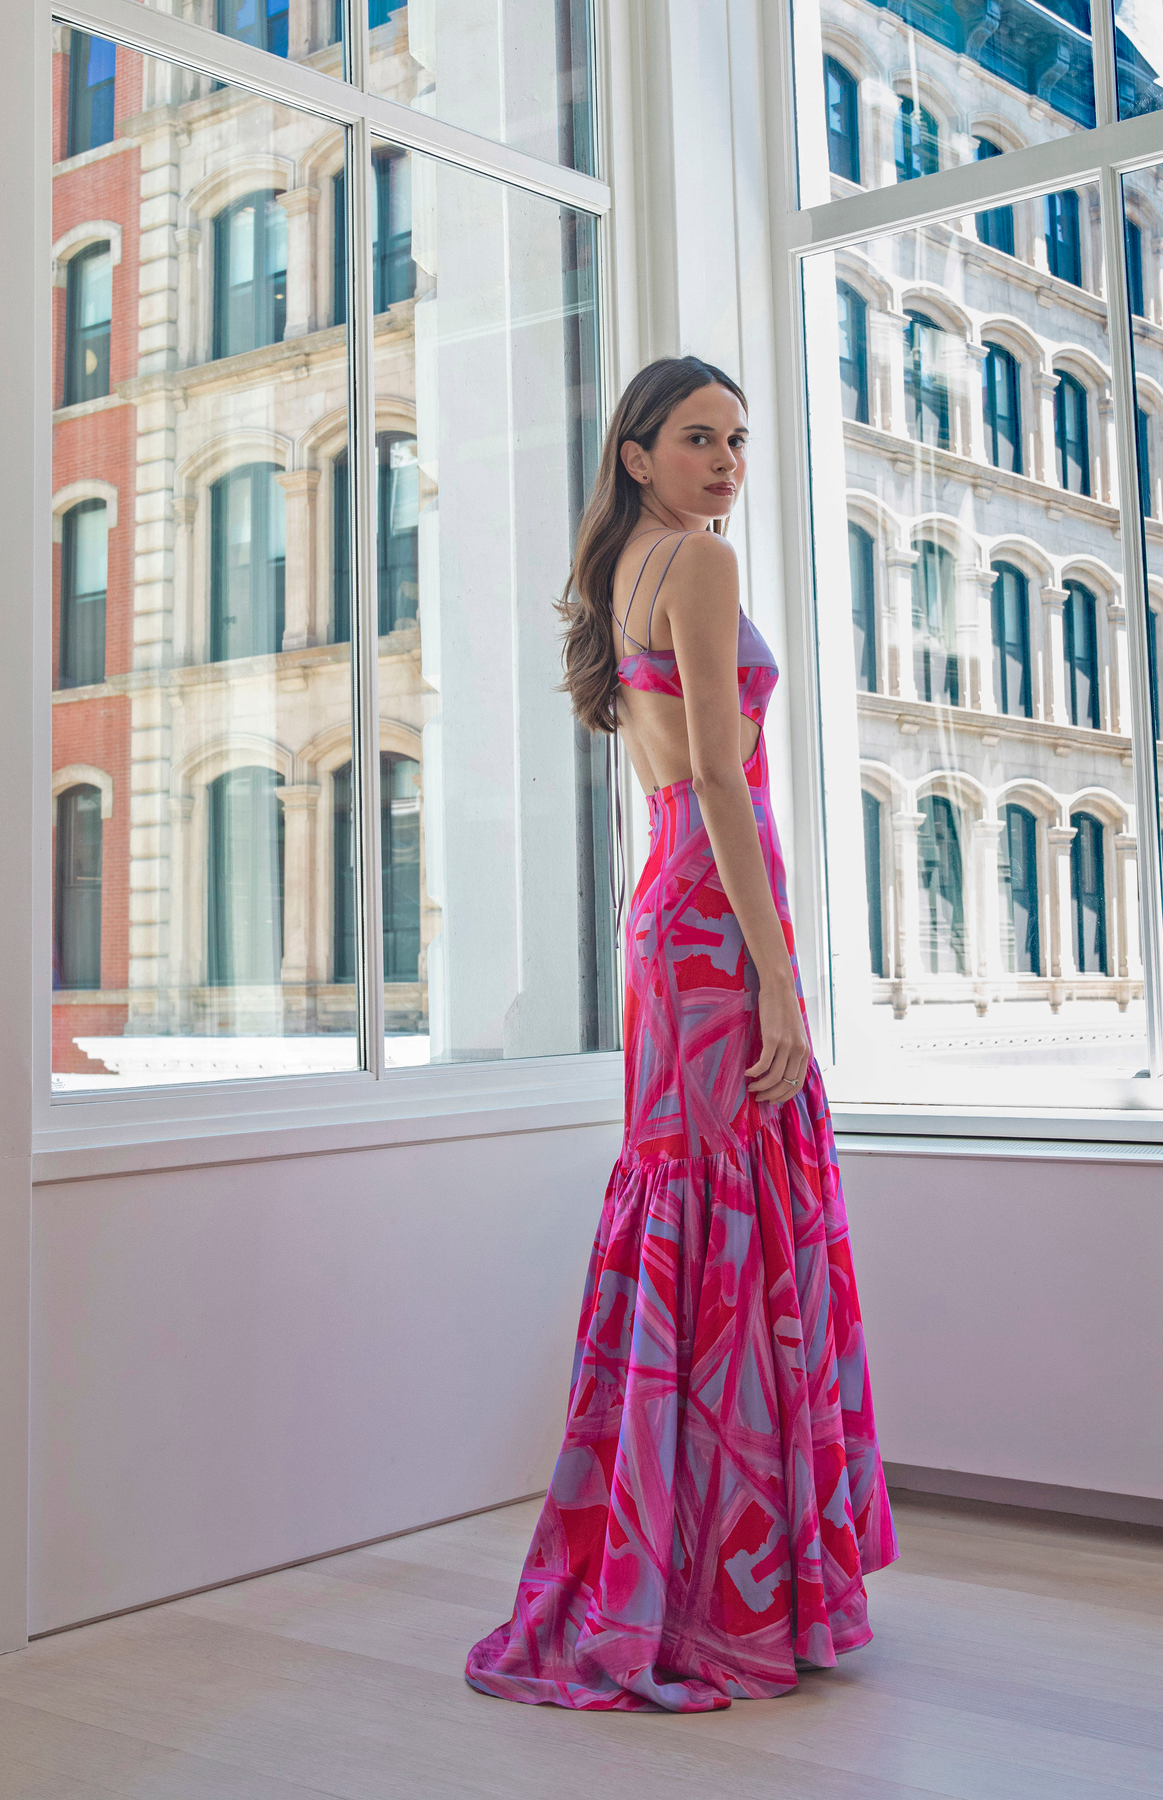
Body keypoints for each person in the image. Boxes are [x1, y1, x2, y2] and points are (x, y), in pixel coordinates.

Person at [465, 355, 896, 1712]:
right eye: (697, 437)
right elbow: (718, 766)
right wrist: (781, 976)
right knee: (735, 1224)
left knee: (702, 1224)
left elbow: (678, 772)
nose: (724, 460)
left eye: (738, 439)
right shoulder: (697, 562)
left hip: (668, 910)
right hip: (714, 921)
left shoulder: (627, 566)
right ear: (638, 451)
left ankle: (692, 1573)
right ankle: (734, 1588)